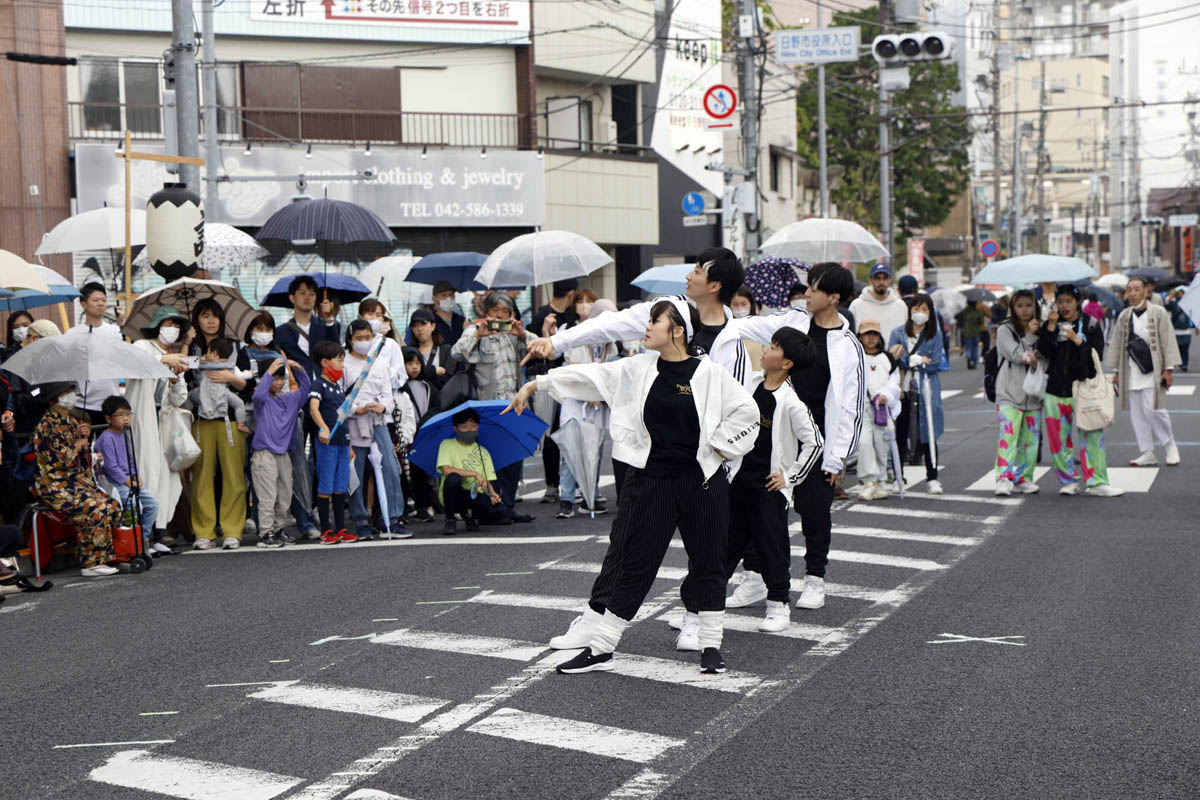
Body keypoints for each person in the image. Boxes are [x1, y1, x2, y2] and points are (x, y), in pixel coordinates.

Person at [506, 298, 760, 675]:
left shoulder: (709, 373)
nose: (647, 327)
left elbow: (748, 414)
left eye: (655, 321)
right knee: (636, 564)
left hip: (700, 481)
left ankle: (711, 646)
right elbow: (593, 376)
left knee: (708, 561)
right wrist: (538, 384)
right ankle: (602, 648)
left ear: (677, 331)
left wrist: (721, 445)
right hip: (651, 480)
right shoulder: (638, 367)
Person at [724, 263, 866, 611]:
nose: (807, 293)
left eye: (814, 289)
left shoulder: (848, 345)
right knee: (759, 506)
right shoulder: (793, 321)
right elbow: (752, 326)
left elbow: (850, 404)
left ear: (833, 298)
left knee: (814, 510)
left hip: (817, 439)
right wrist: (720, 325)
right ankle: (755, 577)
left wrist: (837, 457)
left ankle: (815, 579)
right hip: (773, 435)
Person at [722, 326, 822, 633]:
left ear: (787, 362)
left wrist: (789, 477)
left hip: (768, 489)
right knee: (723, 549)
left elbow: (814, 442)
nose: (766, 349)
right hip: (738, 483)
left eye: (774, 347)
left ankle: (779, 606)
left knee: (772, 548)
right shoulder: (751, 384)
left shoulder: (790, 401)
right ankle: (699, 609)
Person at [452, 292, 535, 522]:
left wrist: (522, 333)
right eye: (495, 311)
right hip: (488, 406)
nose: (500, 316)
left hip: (515, 403)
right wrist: (478, 335)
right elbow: (456, 352)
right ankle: (492, 508)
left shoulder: (514, 333)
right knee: (493, 457)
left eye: (505, 312)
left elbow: (541, 347)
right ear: (486, 312)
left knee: (514, 457)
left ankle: (508, 506)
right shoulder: (476, 330)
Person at [1037, 284, 1124, 497]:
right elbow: (1044, 352)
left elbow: (1098, 354)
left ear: (1077, 302)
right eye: (1060, 301)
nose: (1064, 305)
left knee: (1092, 435)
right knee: (1058, 439)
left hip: (1084, 387)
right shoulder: (1051, 324)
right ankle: (1067, 480)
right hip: (1055, 389)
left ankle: (1096, 482)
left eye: (1068, 301)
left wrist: (1077, 341)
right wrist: (1050, 327)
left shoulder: (1091, 323)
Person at [275, 275, 340, 542]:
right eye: (301, 293)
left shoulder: (322, 325)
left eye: (311, 293)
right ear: (292, 298)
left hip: (323, 402)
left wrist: (329, 320)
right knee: (299, 462)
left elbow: (336, 350)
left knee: (324, 458)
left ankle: (322, 512)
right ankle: (303, 519)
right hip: (297, 402)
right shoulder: (282, 331)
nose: (307, 297)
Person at [33, 382, 121, 576]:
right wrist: (77, 446)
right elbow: (56, 461)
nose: (71, 395)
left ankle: (100, 556)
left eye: (71, 391)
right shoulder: (47, 425)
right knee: (92, 506)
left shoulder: (72, 421)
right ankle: (92, 563)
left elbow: (83, 458)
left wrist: (85, 438)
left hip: (77, 481)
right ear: (54, 399)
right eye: (66, 392)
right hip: (54, 484)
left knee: (110, 505)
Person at [342, 320, 412, 540]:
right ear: (350, 339)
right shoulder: (343, 361)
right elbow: (339, 396)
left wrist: (383, 406)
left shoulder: (379, 362)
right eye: (359, 338)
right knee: (356, 471)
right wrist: (356, 409)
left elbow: (388, 394)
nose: (364, 342)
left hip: (379, 420)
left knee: (391, 466)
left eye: (367, 337)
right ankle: (361, 520)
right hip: (354, 423)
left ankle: (392, 518)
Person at [127, 306, 189, 542]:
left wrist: (176, 377)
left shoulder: (175, 356)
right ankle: (142, 533)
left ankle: (158, 531)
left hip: (162, 422)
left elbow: (179, 398)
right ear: (157, 326)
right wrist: (163, 359)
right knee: (146, 471)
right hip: (142, 419)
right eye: (168, 324)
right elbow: (134, 364)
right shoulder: (142, 346)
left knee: (166, 478)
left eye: (176, 326)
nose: (172, 329)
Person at [1105, 276, 1181, 467]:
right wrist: (1116, 372)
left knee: (1156, 409)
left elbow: (1168, 340)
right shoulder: (1124, 316)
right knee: (1137, 414)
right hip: (1130, 372)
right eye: (1129, 289)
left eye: (1137, 289)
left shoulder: (1158, 313)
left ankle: (1169, 444)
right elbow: (1115, 344)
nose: (1132, 293)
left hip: (1152, 370)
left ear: (1146, 291)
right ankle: (1147, 451)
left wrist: (1168, 369)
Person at [555, 297, 617, 519]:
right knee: (573, 450)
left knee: (595, 451)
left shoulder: (610, 342)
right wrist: (589, 391)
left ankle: (591, 495)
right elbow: (573, 369)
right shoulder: (581, 337)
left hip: (597, 405)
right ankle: (567, 500)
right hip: (576, 401)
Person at [189, 334, 253, 550]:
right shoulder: (193, 348)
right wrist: (187, 343)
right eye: (205, 316)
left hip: (230, 422)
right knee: (201, 476)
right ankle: (203, 531)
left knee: (234, 475)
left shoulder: (236, 349)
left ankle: (233, 530)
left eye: (214, 316)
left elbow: (249, 383)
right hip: (201, 422)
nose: (210, 321)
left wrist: (232, 379)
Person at [527, 278, 580, 506]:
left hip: (568, 379)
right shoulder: (541, 315)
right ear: (570, 293)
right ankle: (552, 484)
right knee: (549, 432)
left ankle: (572, 484)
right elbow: (533, 352)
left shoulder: (571, 318)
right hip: (546, 380)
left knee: (569, 429)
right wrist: (544, 332)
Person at [888, 294, 945, 494]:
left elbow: (936, 362)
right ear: (910, 310)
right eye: (916, 308)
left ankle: (932, 477)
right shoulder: (898, 332)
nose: (920, 313)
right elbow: (893, 359)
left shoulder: (935, 334)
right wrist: (918, 360)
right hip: (903, 389)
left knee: (929, 431)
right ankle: (898, 475)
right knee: (901, 432)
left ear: (931, 312)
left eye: (925, 309)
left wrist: (910, 358)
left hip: (927, 389)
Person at [250, 356, 309, 548]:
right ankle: (265, 532)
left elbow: (305, 391)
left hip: (283, 454)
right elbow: (258, 396)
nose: (279, 382)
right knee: (268, 496)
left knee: (284, 496)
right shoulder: (262, 399)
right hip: (264, 453)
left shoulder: (288, 399)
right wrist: (268, 371)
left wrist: (299, 369)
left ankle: (278, 529)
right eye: (274, 378)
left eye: (281, 378)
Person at [993, 290, 1046, 496]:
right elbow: (1015, 354)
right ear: (1013, 309)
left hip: (1034, 393)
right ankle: (1003, 477)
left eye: (1028, 305)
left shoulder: (1042, 329)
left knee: (1030, 440)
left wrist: (1037, 334)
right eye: (1020, 306)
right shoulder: (1005, 329)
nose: (1025, 310)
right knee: (1008, 436)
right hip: (1008, 391)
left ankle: (1024, 477)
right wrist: (1029, 337)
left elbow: (1044, 357)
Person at [93, 395, 161, 554]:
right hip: (114, 484)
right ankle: (129, 543)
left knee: (153, 503)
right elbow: (110, 467)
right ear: (108, 418)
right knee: (135, 507)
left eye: (128, 414)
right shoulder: (106, 438)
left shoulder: (125, 434)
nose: (126, 418)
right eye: (121, 415)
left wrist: (135, 475)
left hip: (128, 482)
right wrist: (127, 480)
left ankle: (141, 540)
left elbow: (131, 460)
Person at [309, 339, 356, 544]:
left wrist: (350, 443)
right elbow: (313, 408)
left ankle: (341, 528)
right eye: (339, 360)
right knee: (326, 485)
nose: (342, 365)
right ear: (325, 363)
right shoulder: (318, 384)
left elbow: (344, 416)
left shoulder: (338, 386)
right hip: (327, 443)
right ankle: (326, 530)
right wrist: (323, 428)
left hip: (343, 442)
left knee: (340, 486)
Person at [437, 407, 507, 534]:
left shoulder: (483, 452)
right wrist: (475, 474)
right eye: (464, 426)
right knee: (453, 478)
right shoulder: (446, 444)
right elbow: (446, 470)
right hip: (452, 493)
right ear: (456, 428)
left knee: (500, 510)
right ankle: (450, 519)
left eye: (473, 426)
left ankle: (469, 515)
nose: (469, 430)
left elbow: (487, 481)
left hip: (472, 494)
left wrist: (492, 494)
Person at [854, 320, 901, 500]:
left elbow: (895, 382)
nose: (871, 338)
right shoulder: (854, 357)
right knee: (864, 443)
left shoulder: (887, 358)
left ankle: (881, 481)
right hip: (861, 407)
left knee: (881, 445)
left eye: (874, 334)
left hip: (882, 408)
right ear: (860, 337)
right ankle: (868, 482)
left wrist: (886, 396)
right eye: (867, 334)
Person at [65, 282, 122, 427]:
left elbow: (125, 357)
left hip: (111, 401)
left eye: (103, 300)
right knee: (82, 446)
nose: (101, 304)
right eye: (96, 300)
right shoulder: (72, 334)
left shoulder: (115, 331)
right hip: (82, 404)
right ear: (84, 304)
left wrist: (123, 325)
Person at [400, 347, 441, 522]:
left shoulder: (428, 386)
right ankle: (405, 506)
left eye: (417, 363)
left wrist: (425, 423)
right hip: (406, 434)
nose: (414, 367)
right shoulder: (399, 387)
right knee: (403, 472)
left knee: (421, 472)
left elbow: (436, 408)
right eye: (409, 363)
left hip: (424, 433)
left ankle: (424, 505)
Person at [357, 298, 408, 391]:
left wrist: (382, 370)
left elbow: (401, 378)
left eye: (378, 315)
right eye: (370, 314)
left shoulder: (390, 345)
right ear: (360, 317)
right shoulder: (351, 344)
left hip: (384, 399)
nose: (374, 319)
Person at [848, 263, 909, 338]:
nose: (881, 282)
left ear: (890, 279)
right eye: (877, 278)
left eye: (885, 278)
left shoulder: (901, 306)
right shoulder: (856, 305)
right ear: (870, 279)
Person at [408, 308, 459, 390]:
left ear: (433, 326)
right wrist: (434, 371)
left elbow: (448, 380)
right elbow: (407, 377)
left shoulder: (445, 350)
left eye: (423, 324)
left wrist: (423, 374)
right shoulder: (409, 352)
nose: (419, 329)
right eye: (415, 326)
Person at [730, 286, 764, 372]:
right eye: (735, 304)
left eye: (744, 304)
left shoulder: (760, 327)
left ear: (751, 304)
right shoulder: (726, 328)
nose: (740, 308)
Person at [1165, 286, 1195, 371]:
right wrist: (1171, 295)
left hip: (1186, 329)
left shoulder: (1189, 302)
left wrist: (1195, 327)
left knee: (1185, 349)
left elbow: (1193, 314)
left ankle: (1184, 364)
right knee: (1177, 349)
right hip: (1176, 329)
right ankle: (1180, 363)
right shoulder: (1173, 302)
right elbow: (1166, 305)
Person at [429, 280, 466, 347]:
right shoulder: (429, 322)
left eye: (451, 294)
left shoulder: (462, 321)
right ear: (434, 299)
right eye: (443, 295)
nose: (448, 298)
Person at [960, 301, 986, 369]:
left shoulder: (965, 311)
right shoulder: (978, 312)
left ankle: (968, 359)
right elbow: (981, 322)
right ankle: (974, 363)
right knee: (975, 348)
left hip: (967, 332)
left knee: (968, 347)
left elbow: (961, 318)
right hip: (976, 332)